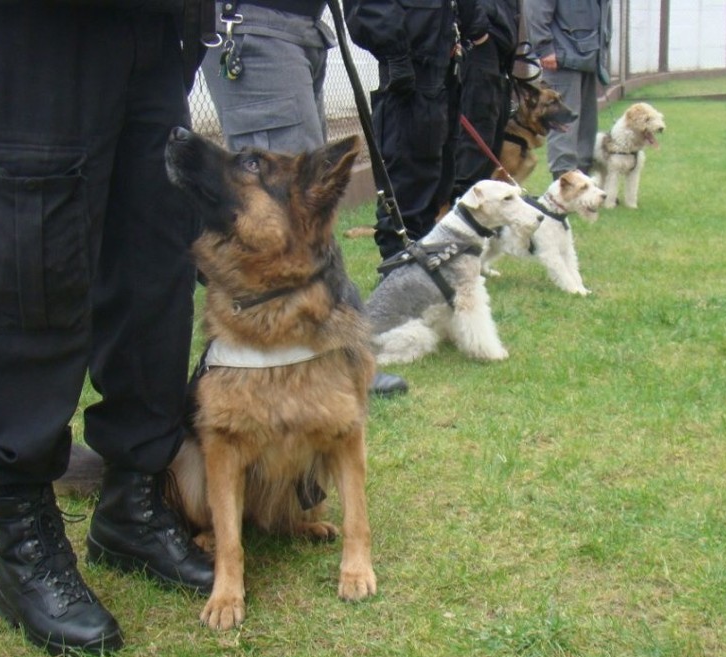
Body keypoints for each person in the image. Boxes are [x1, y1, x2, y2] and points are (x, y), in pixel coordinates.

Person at [0, 3, 215, 655]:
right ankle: (25, 538)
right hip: (30, 29)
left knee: (155, 257)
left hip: (153, 23)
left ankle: (133, 501)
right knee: (28, 259)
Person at [201, 0, 408, 397]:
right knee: (285, 215)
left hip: (298, 26)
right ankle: (310, 363)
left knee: (306, 212)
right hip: (256, 27)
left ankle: (330, 354)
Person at [344, 0, 490, 260]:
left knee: (439, 177)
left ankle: (422, 267)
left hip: (442, 63)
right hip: (411, 67)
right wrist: (396, 53)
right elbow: (366, 8)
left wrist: (472, 24)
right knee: (407, 178)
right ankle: (399, 268)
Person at [522, 0, 611, 179]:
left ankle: (582, 183)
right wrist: (544, 47)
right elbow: (537, 9)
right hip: (562, 57)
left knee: (586, 124)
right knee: (563, 124)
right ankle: (564, 183)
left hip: (588, 55)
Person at [453, 0, 521, 198]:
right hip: (478, 52)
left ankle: (478, 219)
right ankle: (461, 210)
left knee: (489, 147)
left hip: (499, 55)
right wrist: (479, 34)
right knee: (474, 146)